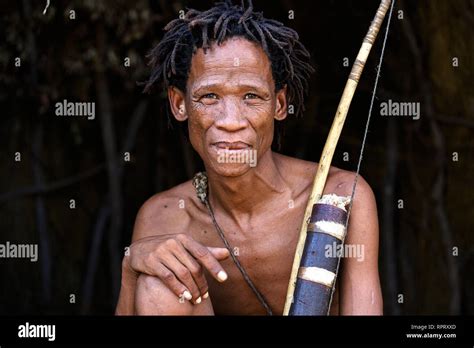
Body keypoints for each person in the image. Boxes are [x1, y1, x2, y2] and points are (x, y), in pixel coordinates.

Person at [115, 0, 382, 315]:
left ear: (279, 105)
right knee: (162, 281)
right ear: (179, 104)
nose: (230, 120)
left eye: (251, 97)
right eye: (209, 96)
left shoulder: (339, 195)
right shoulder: (164, 216)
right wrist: (131, 269)